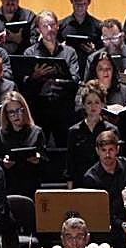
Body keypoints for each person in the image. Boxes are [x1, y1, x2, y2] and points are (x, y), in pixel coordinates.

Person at [21, 12, 81, 147]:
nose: (50, 29)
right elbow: (25, 85)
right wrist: (36, 77)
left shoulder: (69, 52)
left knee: (65, 148)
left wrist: (56, 80)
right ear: (38, 29)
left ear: (58, 26)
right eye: (45, 26)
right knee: (38, 149)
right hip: (39, 109)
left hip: (64, 108)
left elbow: (75, 80)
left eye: (52, 25)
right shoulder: (30, 53)